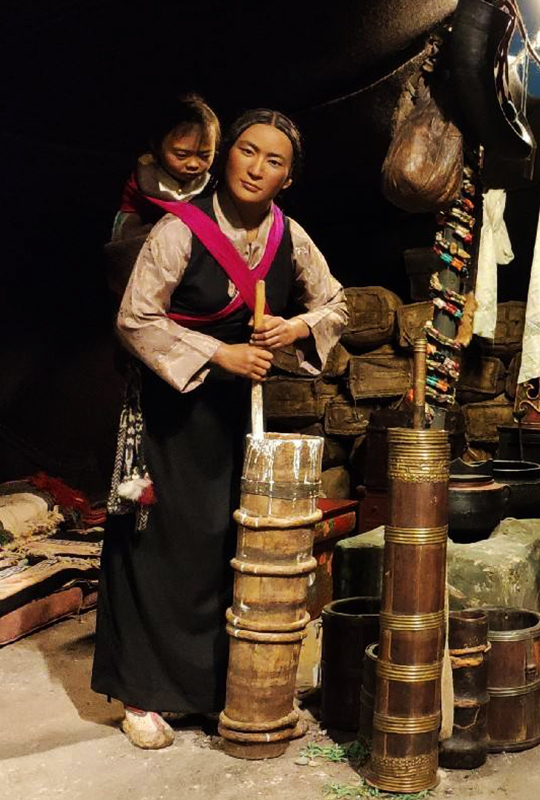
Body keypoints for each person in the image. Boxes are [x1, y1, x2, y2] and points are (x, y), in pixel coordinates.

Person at [92, 109, 349, 750]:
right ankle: (142, 695)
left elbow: (335, 302)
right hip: (171, 414)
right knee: (162, 549)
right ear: (224, 154)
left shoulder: (291, 236)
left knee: (220, 548)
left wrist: (293, 328)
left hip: (237, 416)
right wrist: (218, 352)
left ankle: (207, 691)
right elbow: (135, 318)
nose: (256, 168)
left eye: (274, 161)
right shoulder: (179, 232)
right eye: (246, 151)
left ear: (288, 177)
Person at [111, 93, 220, 242]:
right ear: (157, 145)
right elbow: (126, 237)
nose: (193, 164)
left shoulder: (216, 186)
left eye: (204, 155)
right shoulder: (141, 183)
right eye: (181, 155)